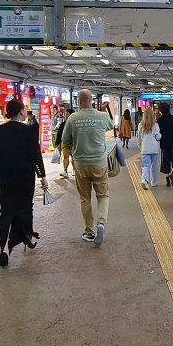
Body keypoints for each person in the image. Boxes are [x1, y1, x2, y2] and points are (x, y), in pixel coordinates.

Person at [0, 98, 48, 268]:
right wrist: (42, 176)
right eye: (24, 110)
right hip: (25, 177)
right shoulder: (29, 131)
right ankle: (27, 236)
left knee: (6, 211)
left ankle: (5, 249)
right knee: (25, 207)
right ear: (21, 112)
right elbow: (36, 155)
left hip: (4, 176)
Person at [63, 90, 114, 246]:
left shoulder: (73, 118)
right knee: (103, 195)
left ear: (79, 101)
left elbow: (66, 140)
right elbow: (111, 125)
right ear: (92, 100)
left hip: (81, 164)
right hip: (99, 163)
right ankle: (101, 223)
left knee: (85, 198)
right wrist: (103, 110)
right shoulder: (102, 116)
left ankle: (89, 231)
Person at [138, 107, 161, 190]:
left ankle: (144, 180)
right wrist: (159, 135)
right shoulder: (155, 125)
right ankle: (153, 182)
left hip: (145, 148)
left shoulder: (141, 125)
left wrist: (140, 147)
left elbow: (139, 138)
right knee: (153, 166)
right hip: (154, 148)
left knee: (145, 165)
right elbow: (158, 137)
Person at [56, 108, 76, 178]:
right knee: (65, 157)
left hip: (74, 143)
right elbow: (59, 133)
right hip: (65, 143)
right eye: (66, 114)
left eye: (67, 114)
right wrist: (57, 143)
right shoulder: (63, 124)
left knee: (74, 157)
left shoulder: (75, 124)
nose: (66, 116)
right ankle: (65, 171)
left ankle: (74, 170)